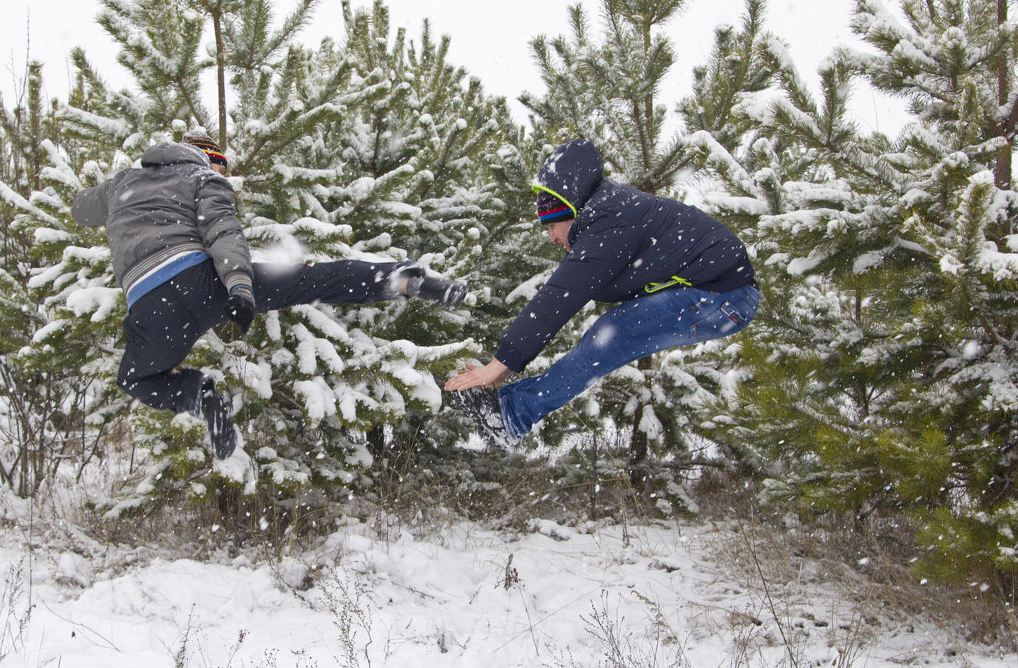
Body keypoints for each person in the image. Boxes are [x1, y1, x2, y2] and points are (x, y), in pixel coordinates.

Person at [72, 131, 467, 458]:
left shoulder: (123, 183)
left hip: (150, 305)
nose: (222, 173)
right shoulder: (202, 180)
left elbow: (79, 209)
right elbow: (224, 233)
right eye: (219, 165)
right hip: (203, 282)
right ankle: (402, 280)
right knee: (314, 280)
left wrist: (116, 192)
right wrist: (240, 287)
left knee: (137, 378)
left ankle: (198, 395)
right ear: (203, 159)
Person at [444, 138, 758, 446]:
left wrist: (500, 364)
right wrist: (504, 369)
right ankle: (513, 409)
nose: (551, 237)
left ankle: (513, 413)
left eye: (552, 225)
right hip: (717, 293)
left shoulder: (610, 220)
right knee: (614, 330)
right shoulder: (606, 213)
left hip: (725, 296)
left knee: (614, 333)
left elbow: (560, 296)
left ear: (570, 209)